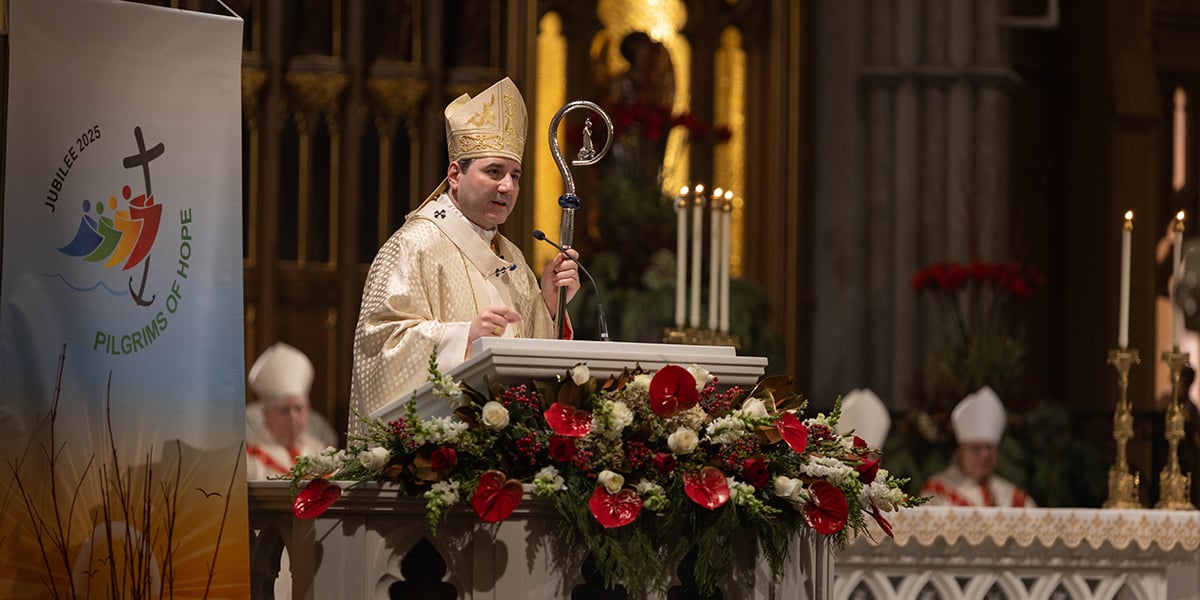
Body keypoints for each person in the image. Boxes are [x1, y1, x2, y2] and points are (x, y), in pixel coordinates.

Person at [351, 77, 581, 435]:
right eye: (494, 171)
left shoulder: (513, 258)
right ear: (455, 174)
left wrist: (549, 305)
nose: (507, 186)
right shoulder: (414, 245)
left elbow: (528, 358)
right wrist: (463, 339)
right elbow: (381, 345)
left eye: (515, 175)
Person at [920, 386, 1036, 507]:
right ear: (961, 451)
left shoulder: (1016, 498)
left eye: (990, 447)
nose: (985, 454)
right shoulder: (937, 491)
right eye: (976, 448)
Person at [245, 342, 330, 480]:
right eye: (284, 410)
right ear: (266, 415)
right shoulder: (248, 457)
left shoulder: (321, 452)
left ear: (308, 410)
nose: (293, 417)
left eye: (299, 408)